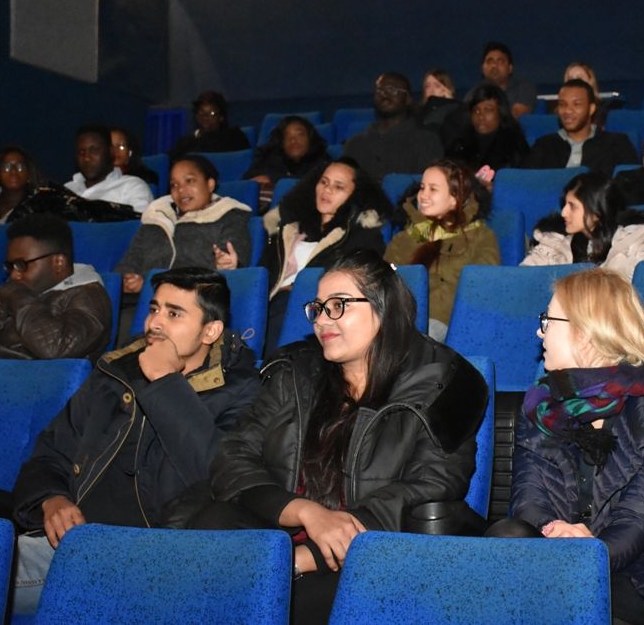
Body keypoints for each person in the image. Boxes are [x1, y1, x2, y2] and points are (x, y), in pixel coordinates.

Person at [190, 249, 488, 624]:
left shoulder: (445, 382)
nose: (321, 320)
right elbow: (234, 455)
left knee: (285, 598)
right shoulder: (295, 370)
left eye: (338, 305)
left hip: (370, 555)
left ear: (384, 307)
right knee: (214, 523)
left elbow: (434, 485)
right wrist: (304, 512)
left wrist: (304, 557)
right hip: (281, 538)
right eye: (318, 308)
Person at [10, 267, 260, 614]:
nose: (155, 323)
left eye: (174, 314)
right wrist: (51, 499)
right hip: (71, 541)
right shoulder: (115, 373)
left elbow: (221, 476)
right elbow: (51, 451)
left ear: (210, 331)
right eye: (154, 308)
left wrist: (165, 382)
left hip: (150, 559)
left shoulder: (241, 392)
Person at [505, 267, 644, 624]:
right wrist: (556, 533)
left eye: (548, 320)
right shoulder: (541, 404)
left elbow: (639, 518)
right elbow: (527, 500)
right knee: (506, 539)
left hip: (632, 569)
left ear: (586, 333)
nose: (539, 331)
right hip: (548, 554)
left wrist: (588, 552)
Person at [261, 158, 391, 356]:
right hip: (270, 305)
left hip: (315, 308)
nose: (327, 190)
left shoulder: (362, 236)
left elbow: (358, 281)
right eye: (324, 182)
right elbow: (263, 276)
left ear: (355, 195)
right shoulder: (288, 229)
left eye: (338, 187)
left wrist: (298, 287)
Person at [384, 160, 500, 341]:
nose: (423, 195)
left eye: (433, 189)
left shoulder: (481, 236)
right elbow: (383, 281)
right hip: (398, 318)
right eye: (422, 188)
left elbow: (482, 287)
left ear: (454, 199)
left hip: (445, 322)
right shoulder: (406, 237)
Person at [115, 155, 253, 294]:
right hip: (141, 301)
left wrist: (227, 266)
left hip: (195, 298)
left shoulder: (228, 217)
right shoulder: (155, 219)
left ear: (210, 184)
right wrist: (128, 282)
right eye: (174, 185)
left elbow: (228, 268)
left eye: (189, 181)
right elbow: (126, 266)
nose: (181, 190)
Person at [0, 214, 111, 359]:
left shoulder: (88, 297)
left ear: (58, 262)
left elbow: (54, 349)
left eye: (21, 265)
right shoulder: (27, 291)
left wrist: (16, 294)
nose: (14, 275)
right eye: (10, 266)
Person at [521, 172, 644, 280]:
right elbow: (524, 278)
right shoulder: (554, 241)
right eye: (565, 204)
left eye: (573, 206)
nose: (563, 213)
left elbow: (641, 291)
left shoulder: (633, 243)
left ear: (596, 212)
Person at [343, 72, 444, 183]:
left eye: (392, 90)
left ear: (407, 99)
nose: (384, 95)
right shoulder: (355, 144)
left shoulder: (427, 141)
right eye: (379, 90)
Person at [524, 79, 638, 176]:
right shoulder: (544, 145)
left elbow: (631, 185)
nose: (568, 111)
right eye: (563, 104)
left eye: (577, 104)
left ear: (591, 109)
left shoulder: (617, 144)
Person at [245, 116, 331, 211]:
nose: (293, 140)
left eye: (300, 135)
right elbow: (247, 183)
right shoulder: (267, 159)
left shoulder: (323, 162)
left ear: (310, 138)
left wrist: (272, 179)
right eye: (287, 136)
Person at [65, 125, 153, 214]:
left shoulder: (132, 188)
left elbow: (141, 220)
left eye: (94, 151)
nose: (86, 158)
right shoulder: (67, 189)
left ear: (111, 152)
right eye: (81, 152)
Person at [445, 84, 530, 172]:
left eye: (488, 110)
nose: (481, 116)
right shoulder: (460, 144)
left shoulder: (515, 144)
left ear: (501, 113)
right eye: (476, 110)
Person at [168, 91, 251, 161]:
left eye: (212, 113)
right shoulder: (187, 141)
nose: (205, 117)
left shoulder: (234, 136)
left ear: (221, 117)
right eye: (201, 112)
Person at [464, 41, 538, 119]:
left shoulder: (523, 88)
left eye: (500, 61)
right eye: (490, 61)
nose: (494, 65)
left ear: (510, 68)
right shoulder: (473, 94)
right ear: (482, 68)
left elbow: (517, 116)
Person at [0, 146, 43, 222]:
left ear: (29, 174)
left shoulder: (40, 208)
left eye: (20, 167)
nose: (13, 171)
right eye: (6, 167)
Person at [417, 68, 462, 141]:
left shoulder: (457, 111)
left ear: (447, 89)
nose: (431, 90)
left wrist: (450, 102)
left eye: (437, 86)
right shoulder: (417, 113)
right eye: (427, 86)